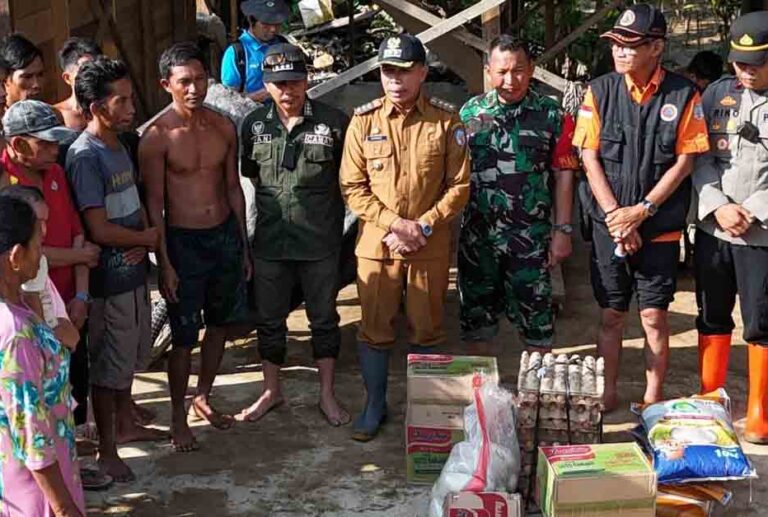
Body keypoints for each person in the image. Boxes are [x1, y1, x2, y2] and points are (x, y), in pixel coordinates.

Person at [573, 4, 709, 411]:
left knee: (654, 317)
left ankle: (652, 398)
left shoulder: (684, 95)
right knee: (611, 315)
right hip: (609, 225)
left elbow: (685, 161)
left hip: (659, 227)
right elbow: (588, 156)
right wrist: (618, 216)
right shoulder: (599, 91)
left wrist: (643, 211)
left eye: (630, 45)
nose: (620, 52)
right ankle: (608, 392)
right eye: (616, 44)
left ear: (656, 48)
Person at [340, 34, 470, 441]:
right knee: (374, 329)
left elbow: (459, 185)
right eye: (387, 71)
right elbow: (352, 186)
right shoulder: (363, 122)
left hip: (428, 247)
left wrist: (424, 226)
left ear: (422, 73)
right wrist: (397, 225)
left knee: (427, 329)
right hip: (377, 247)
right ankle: (374, 405)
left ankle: (427, 411)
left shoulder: (447, 121)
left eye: (404, 71)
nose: (395, 80)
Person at [140, 42, 251, 451]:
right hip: (183, 242)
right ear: (166, 84)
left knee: (220, 324)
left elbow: (233, 188)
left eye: (200, 79)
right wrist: (163, 261)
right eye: (184, 81)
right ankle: (176, 417)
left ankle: (203, 394)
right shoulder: (156, 137)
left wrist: (243, 245)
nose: (194, 89)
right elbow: (154, 204)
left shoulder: (223, 126)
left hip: (222, 235)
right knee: (184, 337)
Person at [237, 43, 350, 427]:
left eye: (296, 81)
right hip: (270, 242)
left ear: (307, 80)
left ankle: (327, 394)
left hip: (320, 243)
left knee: (324, 318)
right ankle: (272, 390)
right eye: (279, 84)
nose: (288, 91)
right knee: (269, 319)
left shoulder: (335, 122)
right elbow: (251, 175)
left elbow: (349, 181)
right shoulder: (252, 125)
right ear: (266, 86)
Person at [67, 57, 165, 482]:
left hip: (132, 274)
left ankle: (125, 426)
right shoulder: (85, 156)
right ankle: (108, 450)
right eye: (120, 101)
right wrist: (145, 240)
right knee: (106, 371)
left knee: (126, 361)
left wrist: (145, 236)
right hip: (108, 283)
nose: (130, 107)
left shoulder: (120, 144)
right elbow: (99, 227)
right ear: (95, 108)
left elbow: (134, 205)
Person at [458, 36, 578, 354]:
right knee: (477, 327)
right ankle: (480, 401)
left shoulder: (552, 116)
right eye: (502, 72)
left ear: (531, 70)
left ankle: (534, 400)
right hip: (478, 240)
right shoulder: (469, 114)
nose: (510, 80)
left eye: (519, 71)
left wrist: (563, 231)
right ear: (488, 71)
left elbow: (564, 174)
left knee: (537, 329)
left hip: (530, 240)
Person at [693, 11, 768, 444]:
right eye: (740, 62)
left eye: (756, 62)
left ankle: (759, 408)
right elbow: (699, 154)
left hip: (761, 234)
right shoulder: (718, 94)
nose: (746, 70)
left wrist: (752, 209)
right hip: (715, 229)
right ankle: (710, 396)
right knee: (711, 312)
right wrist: (718, 206)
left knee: (760, 319)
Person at [0, 195, 85, 517]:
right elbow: (30, 431)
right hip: (36, 493)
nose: (42, 255)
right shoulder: (15, 332)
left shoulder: (21, 305)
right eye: (38, 245)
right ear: (16, 256)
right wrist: (63, 507)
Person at [0, 185, 79, 350]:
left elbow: (70, 333)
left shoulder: (38, 265)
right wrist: (54, 337)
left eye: (45, 221)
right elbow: (44, 344)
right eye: (37, 222)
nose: (43, 231)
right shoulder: (13, 331)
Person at [220, 0, 288, 101]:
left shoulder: (283, 44)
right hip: (252, 113)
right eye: (266, 25)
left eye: (277, 24)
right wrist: (267, 93)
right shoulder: (236, 53)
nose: (273, 29)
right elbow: (230, 101)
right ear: (252, 22)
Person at [54, 37, 103, 131]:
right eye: (85, 71)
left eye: (98, 69)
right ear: (68, 78)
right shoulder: (55, 116)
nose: (94, 76)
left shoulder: (110, 110)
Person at [0, 34, 45, 106]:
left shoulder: (50, 115)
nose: (37, 84)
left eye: (40, 75)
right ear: (6, 80)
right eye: (27, 77)